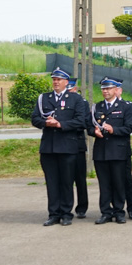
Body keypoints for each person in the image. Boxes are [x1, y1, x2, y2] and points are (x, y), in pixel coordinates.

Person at [31, 67, 87, 226]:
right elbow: (35, 118)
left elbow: (81, 121)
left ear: (66, 82)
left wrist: (60, 124)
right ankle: (53, 213)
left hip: (68, 147)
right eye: (54, 79)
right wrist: (45, 123)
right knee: (52, 182)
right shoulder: (44, 98)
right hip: (48, 148)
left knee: (66, 182)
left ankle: (66, 213)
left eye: (59, 80)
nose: (56, 82)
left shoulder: (75, 99)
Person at [88, 76, 132, 224]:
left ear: (116, 90)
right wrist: (93, 132)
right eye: (103, 89)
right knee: (104, 184)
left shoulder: (126, 106)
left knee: (119, 183)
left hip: (118, 150)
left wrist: (114, 129)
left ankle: (119, 211)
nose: (105, 91)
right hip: (101, 151)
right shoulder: (97, 107)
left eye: (108, 88)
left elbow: (130, 127)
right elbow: (89, 125)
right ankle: (105, 212)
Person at [67, 77, 91, 219]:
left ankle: (82, 207)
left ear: (75, 89)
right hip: (63, 144)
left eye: (70, 90)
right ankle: (66, 207)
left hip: (77, 145)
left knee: (80, 178)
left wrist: (67, 123)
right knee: (66, 180)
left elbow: (83, 122)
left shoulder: (82, 103)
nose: (67, 92)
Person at [115, 84, 132, 219]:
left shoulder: (128, 105)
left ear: (120, 90)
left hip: (123, 148)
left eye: (116, 89)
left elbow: (131, 126)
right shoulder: (101, 106)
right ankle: (116, 208)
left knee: (127, 180)